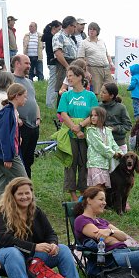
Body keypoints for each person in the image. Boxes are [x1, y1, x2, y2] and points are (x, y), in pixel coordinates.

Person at [0, 178, 86, 278]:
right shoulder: (3, 213)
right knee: (13, 253)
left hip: (31, 257)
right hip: (4, 257)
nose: (24, 197)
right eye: (20, 194)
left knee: (63, 249)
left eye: (27, 193)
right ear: (12, 195)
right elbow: (5, 240)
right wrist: (34, 247)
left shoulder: (36, 211)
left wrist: (53, 244)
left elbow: (50, 233)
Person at [56, 65, 99, 201]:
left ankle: (84, 190)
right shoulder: (66, 95)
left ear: (80, 77)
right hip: (69, 132)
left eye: (71, 76)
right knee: (70, 162)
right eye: (67, 76)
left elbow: (94, 114)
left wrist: (80, 126)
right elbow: (63, 113)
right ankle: (72, 192)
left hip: (86, 132)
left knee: (84, 162)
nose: (68, 78)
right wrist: (74, 127)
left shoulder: (90, 95)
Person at [0, 83, 29, 204]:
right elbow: (4, 136)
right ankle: (28, 209)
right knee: (24, 182)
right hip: (8, 155)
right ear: (17, 96)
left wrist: (18, 137)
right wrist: (7, 157)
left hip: (3, 154)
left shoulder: (13, 112)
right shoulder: (8, 112)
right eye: (24, 96)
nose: (26, 99)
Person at [11, 54, 41, 178]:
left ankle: (27, 184)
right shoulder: (11, 80)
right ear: (17, 64)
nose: (29, 66)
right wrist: (16, 118)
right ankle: (19, 184)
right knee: (20, 159)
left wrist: (38, 118)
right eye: (26, 63)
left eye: (29, 63)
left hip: (34, 126)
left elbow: (34, 101)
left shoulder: (29, 82)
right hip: (21, 126)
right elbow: (7, 102)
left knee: (29, 159)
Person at [86, 106, 122, 188]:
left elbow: (113, 144)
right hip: (95, 164)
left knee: (103, 188)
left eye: (95, 115)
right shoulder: (91, 130)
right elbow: (100, 146)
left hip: (105, 165)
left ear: (102, 117)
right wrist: (113, 154)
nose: (93, 117)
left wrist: (122, 154)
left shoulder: (108, 131)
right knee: (97, 187)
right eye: (91, 115)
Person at [77, 22, 114, 96]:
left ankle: (109, 103)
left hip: (106, 68)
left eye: (94, 29)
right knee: (96, 91)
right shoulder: (84, 43)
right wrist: (86, 71)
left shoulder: (102, 41)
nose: (91, 31)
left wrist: (111, 63)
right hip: (93, 68)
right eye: (90, 29)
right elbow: (80, 58)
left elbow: (107, 54)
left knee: (111, 88)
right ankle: (95, 103)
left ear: (97, 31)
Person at [99, 82, 132, 152]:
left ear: (111, 96)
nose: (101, 94)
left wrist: (115, 128)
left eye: (104, 92)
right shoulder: (99, 107)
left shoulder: (121, 108)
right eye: (101, 91)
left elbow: (128, 126)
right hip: (103, 144)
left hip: (119, 143)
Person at [52, 16, 78, 96]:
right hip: (63, 66)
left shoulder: (70, 38)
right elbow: (58, 53)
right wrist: (67, 67)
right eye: (74, 26)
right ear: (69, 26)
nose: (75, 28)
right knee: (63, 91)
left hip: (72, 64)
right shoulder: (59, 36)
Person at [43, 20, 62, 107]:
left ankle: (50, 103)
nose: (60, 31)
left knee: (53, 82)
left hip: (51, 62)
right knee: (53, 83)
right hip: (53, 62)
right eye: (59, 29)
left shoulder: (48, 36)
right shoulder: (51, 37)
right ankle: (50, 103)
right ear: (54, 28)